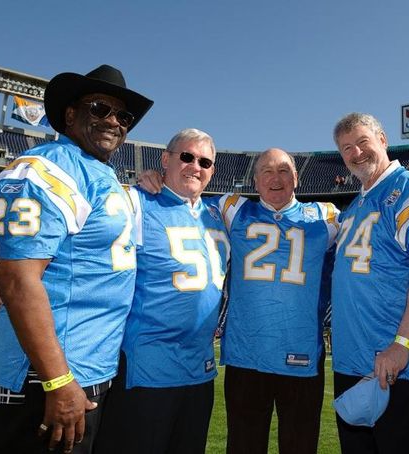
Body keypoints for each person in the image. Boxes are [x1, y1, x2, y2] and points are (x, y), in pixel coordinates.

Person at [0, 64, 152, 454]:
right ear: (70, 114)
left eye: (122, 116)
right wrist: (58, 382)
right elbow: (17, 278)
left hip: (89, 367)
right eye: (99, 109)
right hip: (48, 375)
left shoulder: (102, 174)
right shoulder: (46, 167)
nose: (113, 121)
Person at [137, 147, 339, 453]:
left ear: (296, 178)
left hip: (301, 355)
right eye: (267, 171)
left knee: (300, 446)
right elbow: (187, 200)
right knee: (244, 445)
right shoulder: (232, 208)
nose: (275, 178)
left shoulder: (327, 214)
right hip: (247, 356)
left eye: (284, 170)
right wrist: (158, 180)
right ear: (254, 180)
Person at [94, 128, 229, 454]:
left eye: (205, 162)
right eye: (187, 156)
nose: (195, 166)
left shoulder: (218, 214)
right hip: (147, 371)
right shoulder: (135, 202)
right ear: (165, 159)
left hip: (199, 372)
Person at [331, 113, 409, 453]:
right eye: (346, 148)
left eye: (363, 142)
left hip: (397, 361)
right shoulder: (353, 207)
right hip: (351, 359)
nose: (356, 153)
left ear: (382, 139)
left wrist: (402, 344)